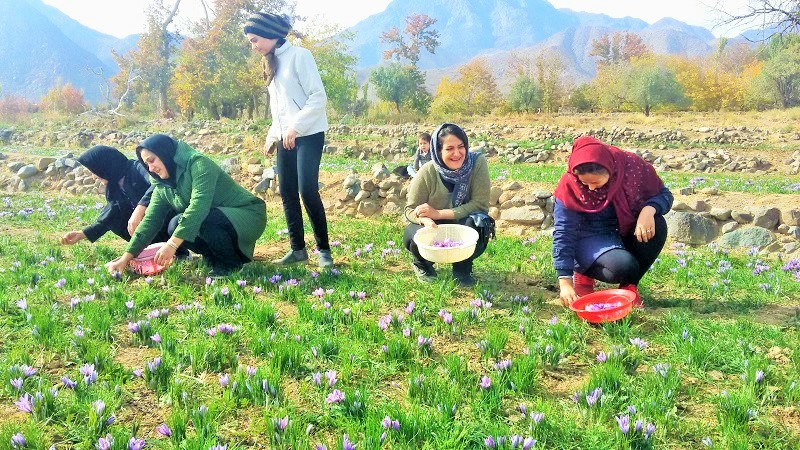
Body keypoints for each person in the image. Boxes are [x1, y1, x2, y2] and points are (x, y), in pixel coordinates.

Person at [104, 134, 267, 275]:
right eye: (147, 164)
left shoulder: (199, 164)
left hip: (248, 215)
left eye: (152, 160)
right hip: (217, 217)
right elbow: (150, 221)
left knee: (203, 218)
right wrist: (126, 258)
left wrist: (172, 244)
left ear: (164, 153)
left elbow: (198, 207)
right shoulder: (163, 184)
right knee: (174, 225)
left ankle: (231, 264)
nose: (151, 168)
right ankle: (215, 257)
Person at [245, 12, 333, 268]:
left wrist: (295, 127)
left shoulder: (300, 56)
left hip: (309, 133)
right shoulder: (270, 62)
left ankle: (324, 251)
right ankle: (297, 250)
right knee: (286, 191)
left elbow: (317, 97)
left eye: (255, 40)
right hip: (286, 136)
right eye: (251, 42)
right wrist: (273, 135)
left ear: (271, 34)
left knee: (307, 190)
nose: (254, 46)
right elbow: (279, 109)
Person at [552, 136, 673, 308]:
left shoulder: (631, 168)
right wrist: (565, 282)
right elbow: (564, 232)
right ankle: (583, 273)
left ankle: (629, 288)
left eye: (595, 182)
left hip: (625, 227)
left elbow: (664, 194)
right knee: (624, 267)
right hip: (589, 237)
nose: (590, 189)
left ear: (610, 170)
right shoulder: (569, 185)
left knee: (657, 224)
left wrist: (649, 209)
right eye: (584, 183)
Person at [403, 123, 492, 287]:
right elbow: (409, 210)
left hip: (462, 222)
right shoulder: (428, 171)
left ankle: (462, 270)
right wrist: (425, 220)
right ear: (438, 151)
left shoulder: (477, 164)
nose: (457, 153)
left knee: (477, 225)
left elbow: (479, 205)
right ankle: (423, 265)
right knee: (413, 234)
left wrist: (438, 213)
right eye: (449, 148)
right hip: (434, 227)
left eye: (461, 146)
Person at [60, 145, 172, 247]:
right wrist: (83, 234)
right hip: (152, 224)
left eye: (95, 171)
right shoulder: (114, 184)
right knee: (115, 220)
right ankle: (152, 249)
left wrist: (141, 207)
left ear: (105, 165)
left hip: (167, 216)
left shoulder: (137, 168)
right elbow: (111, 213)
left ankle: (178, 251)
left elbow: (158, 184)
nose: (94, 177)